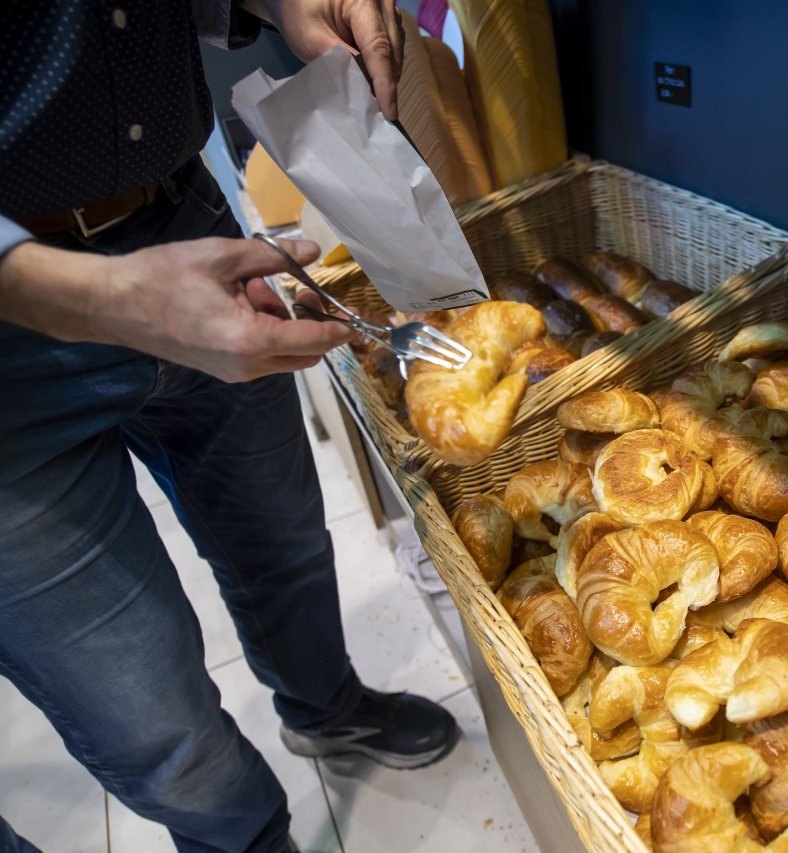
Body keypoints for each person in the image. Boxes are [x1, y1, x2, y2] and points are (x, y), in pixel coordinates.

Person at [0, 2, 460, 851]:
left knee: (282, 537)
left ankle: (327, 709)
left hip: (182, 215)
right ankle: (247, 842)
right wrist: (97, 297)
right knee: (146, 703)